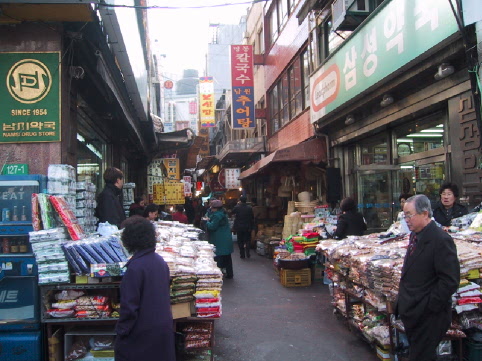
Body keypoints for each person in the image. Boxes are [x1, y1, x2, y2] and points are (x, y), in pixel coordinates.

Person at [396, 194, 460, 361]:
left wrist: (428, 306)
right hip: (413, 311)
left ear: (425, 214)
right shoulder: (415, 235)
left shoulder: (440, 239)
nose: (406, 220)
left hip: (428, 315)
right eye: (405, 215)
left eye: (409, 215)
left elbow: (449, 280)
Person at [114, 216, 175, 361]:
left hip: (141, 333)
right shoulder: (160, 261)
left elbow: (129, 307)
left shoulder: (135, 267)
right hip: (162, 329)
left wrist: (121, 331)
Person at [203, 199, 234, 278]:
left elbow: (212, 227)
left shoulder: (217, 216)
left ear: (215, 208)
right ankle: (230, 274)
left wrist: (207, 222)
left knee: (219, 257)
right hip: (226, 237)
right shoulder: (223, 213)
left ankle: (218, 274)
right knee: (227, 257)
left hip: (219, 238)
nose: (211, 209)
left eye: (212, 208)